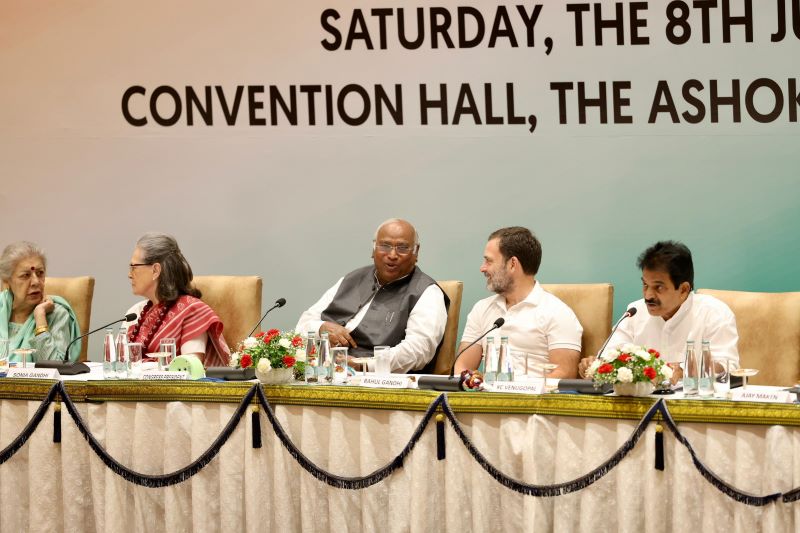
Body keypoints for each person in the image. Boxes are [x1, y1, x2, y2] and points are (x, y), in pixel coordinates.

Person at [295, 218, 449, 373]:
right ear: (373, 248)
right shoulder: (352, 279)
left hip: (375, 380)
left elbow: (418, 350)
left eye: (402, 248)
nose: (392, 255)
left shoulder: (427, 292)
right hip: (323, 371)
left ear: (416, 252)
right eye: (385, 246)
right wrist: (321, 328)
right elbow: (303, 324)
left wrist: (364, 364)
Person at [578, 240, 739, 378]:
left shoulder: (714, 313)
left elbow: (726, 366)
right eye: (645, 285)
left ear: (683, 290)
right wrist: (594, 365)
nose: (648, 295)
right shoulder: (634, 312)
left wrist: (685, 370)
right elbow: (610, 355)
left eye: (658, 287)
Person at [454, 227, 583, 378]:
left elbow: (564, 374)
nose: (482, 268)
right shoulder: (481, 308)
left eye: (489, 261)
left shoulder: (558, 312)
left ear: (512, 264)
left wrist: (518, 389)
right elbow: (462, 367)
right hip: (486, 392)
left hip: (535, 392)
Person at [124, 232, 230, 367]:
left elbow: (190, 368)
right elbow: (119, 364)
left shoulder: (192, 311)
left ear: (155, 270)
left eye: (134, 267)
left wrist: (145, 367)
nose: (129, 275)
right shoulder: (135, 313)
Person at [0, 241, 81, 363]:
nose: (36, 282)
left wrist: (40, 318)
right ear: (7, 281)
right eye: (25, 275)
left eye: (40, 273)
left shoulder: (56, 314)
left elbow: (56, 366)